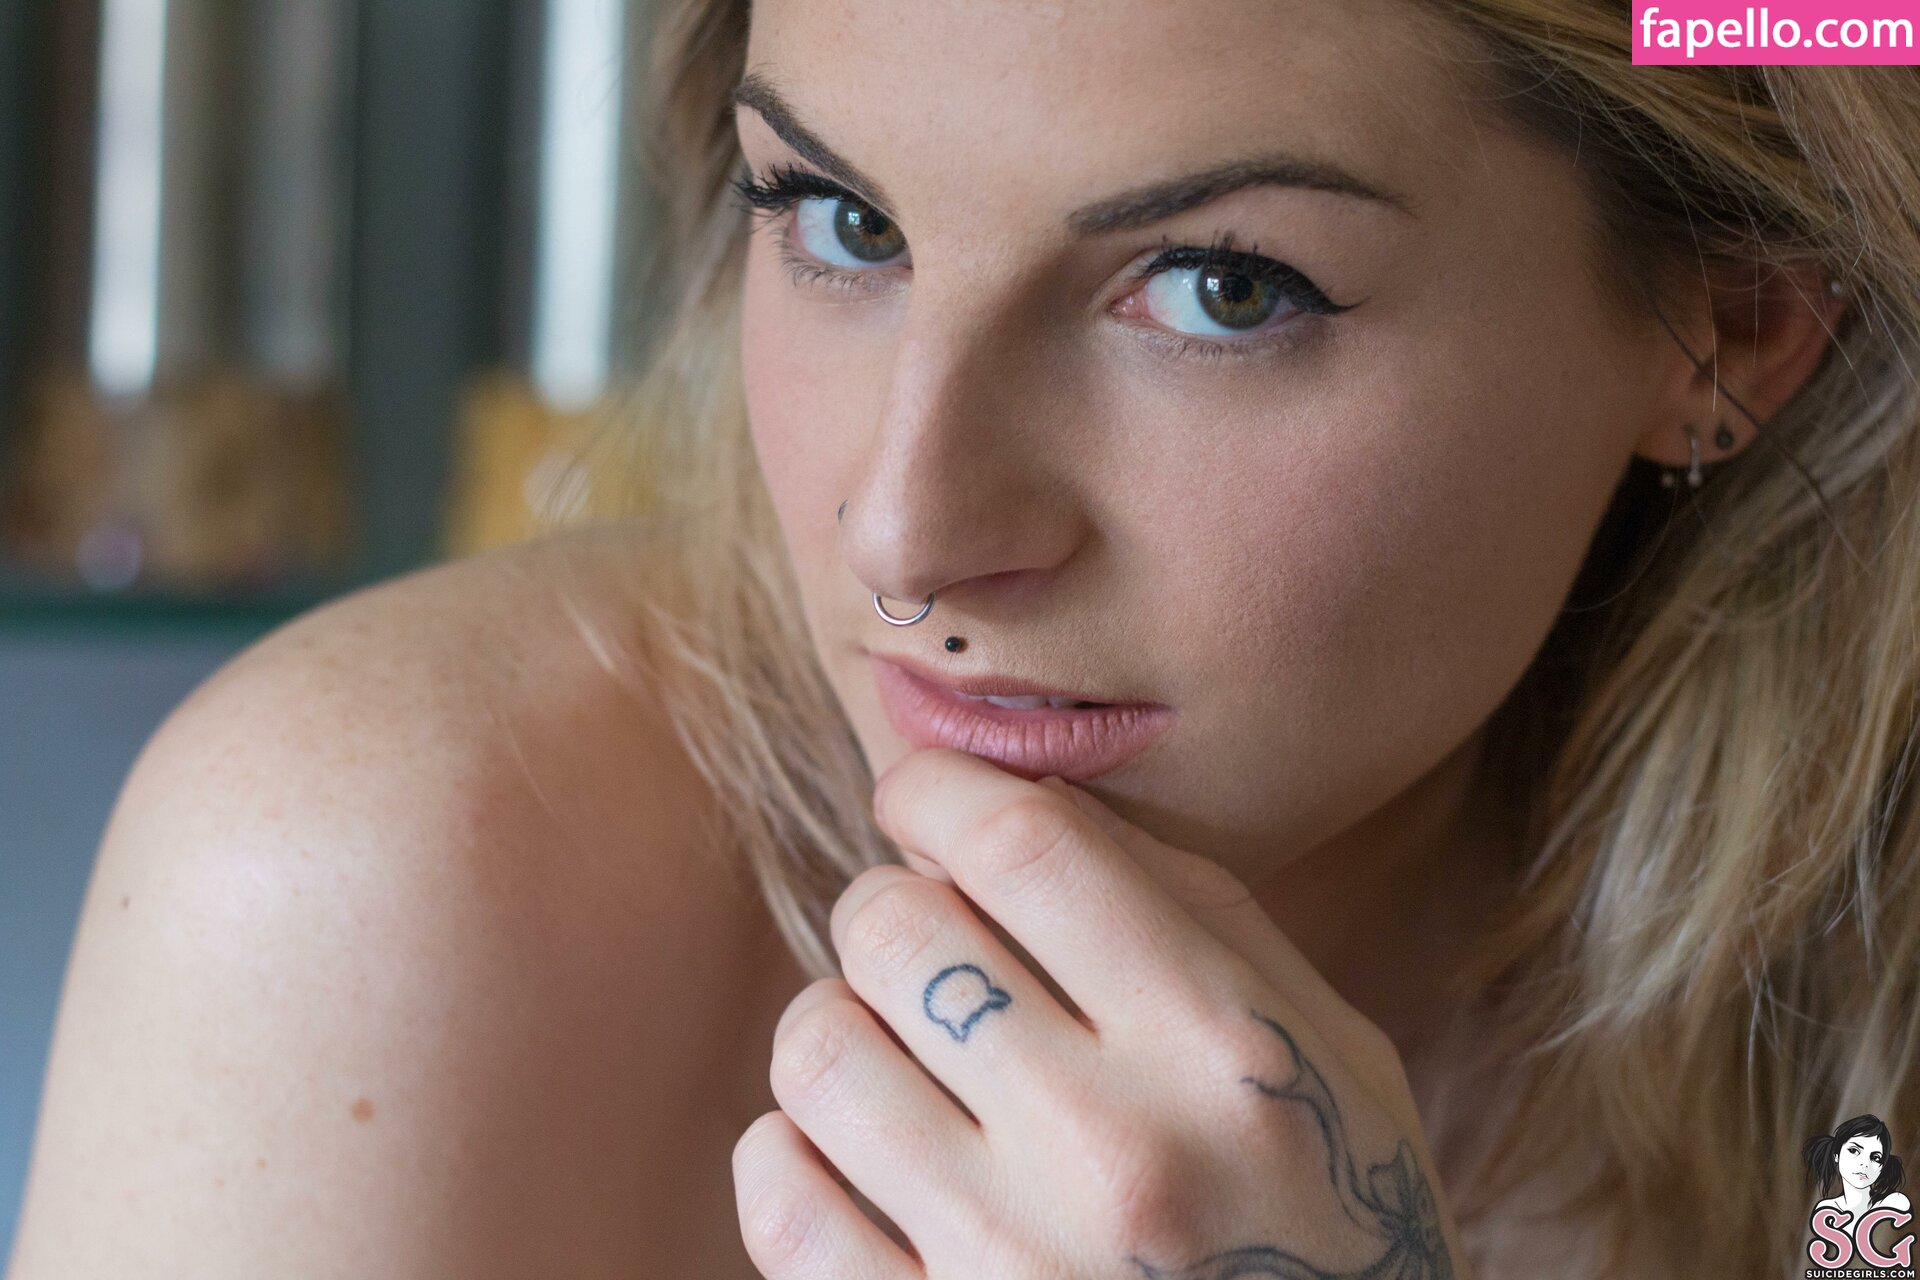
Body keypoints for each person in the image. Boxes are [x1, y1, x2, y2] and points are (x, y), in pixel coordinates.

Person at [7, 1, 1918, 1278]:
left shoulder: (1869, 1041)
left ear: (1738, 318)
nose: (907, 533)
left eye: (1218, 287)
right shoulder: (372, 876)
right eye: (840, 219)